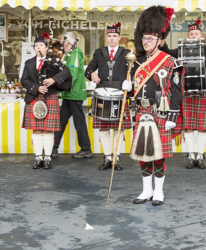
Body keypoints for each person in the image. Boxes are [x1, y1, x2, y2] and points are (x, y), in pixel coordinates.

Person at [126, 6, 182, 206]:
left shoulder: (171, 62)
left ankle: (158, 191)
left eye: (150, 39)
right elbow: (133, 91)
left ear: (160, 40)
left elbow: (176, 93)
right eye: (144, 38)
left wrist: (172, 118)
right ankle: (146, 190)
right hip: (141, 112)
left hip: (161, 113)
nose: (145, 42)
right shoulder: (136, 61)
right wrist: (128, 87)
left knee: (158, 156)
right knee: (143, 154)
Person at [174, 20, 206, 169]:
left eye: (196, 34)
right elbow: (167, 52)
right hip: (186, 93)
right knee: (188, 127)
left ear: (202, 36)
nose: (194, 36)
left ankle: (200, 156)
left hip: (203, 92)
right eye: (191, 34)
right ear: (188, 36)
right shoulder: (181, 50)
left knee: (202, 127)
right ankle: (191, 156)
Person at [85, 22, 132, 170]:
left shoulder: (126, 53)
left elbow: (134, 71)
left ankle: (116, 158)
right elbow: (89, 69)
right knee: (103, 129)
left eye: (114, 36)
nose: (112, 39)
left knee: (119, 128)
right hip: (102, 93)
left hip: (120, 94)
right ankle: (107, 157)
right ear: (106, 37)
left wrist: (129, 83)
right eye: (109, 36)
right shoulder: (100, 52)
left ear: (119, 38)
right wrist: (91, 74)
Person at [21, 34, 70, 169]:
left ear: (46, 47)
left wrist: (53, 80)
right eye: (36, 46)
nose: (39, 48)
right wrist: (36, 88)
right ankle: (38, 158)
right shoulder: (29, 63)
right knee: (36, 130)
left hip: (49, 97)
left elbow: (66, 72)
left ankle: (47, 158)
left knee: (48, 130)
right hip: (34, 97)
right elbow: (24, 80)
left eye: (41, 45)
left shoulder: (53, 60)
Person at [52, 31, 93, 159]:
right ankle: (53, 147)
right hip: (69, 94)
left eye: (62, 40)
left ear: (68, 42)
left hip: (74, 93)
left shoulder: (74, 54)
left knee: (77, 122)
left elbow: (71, 73)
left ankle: (85, 149)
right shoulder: (69, 54)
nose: (60, 42)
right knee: (62, 121)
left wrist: (58, 84)